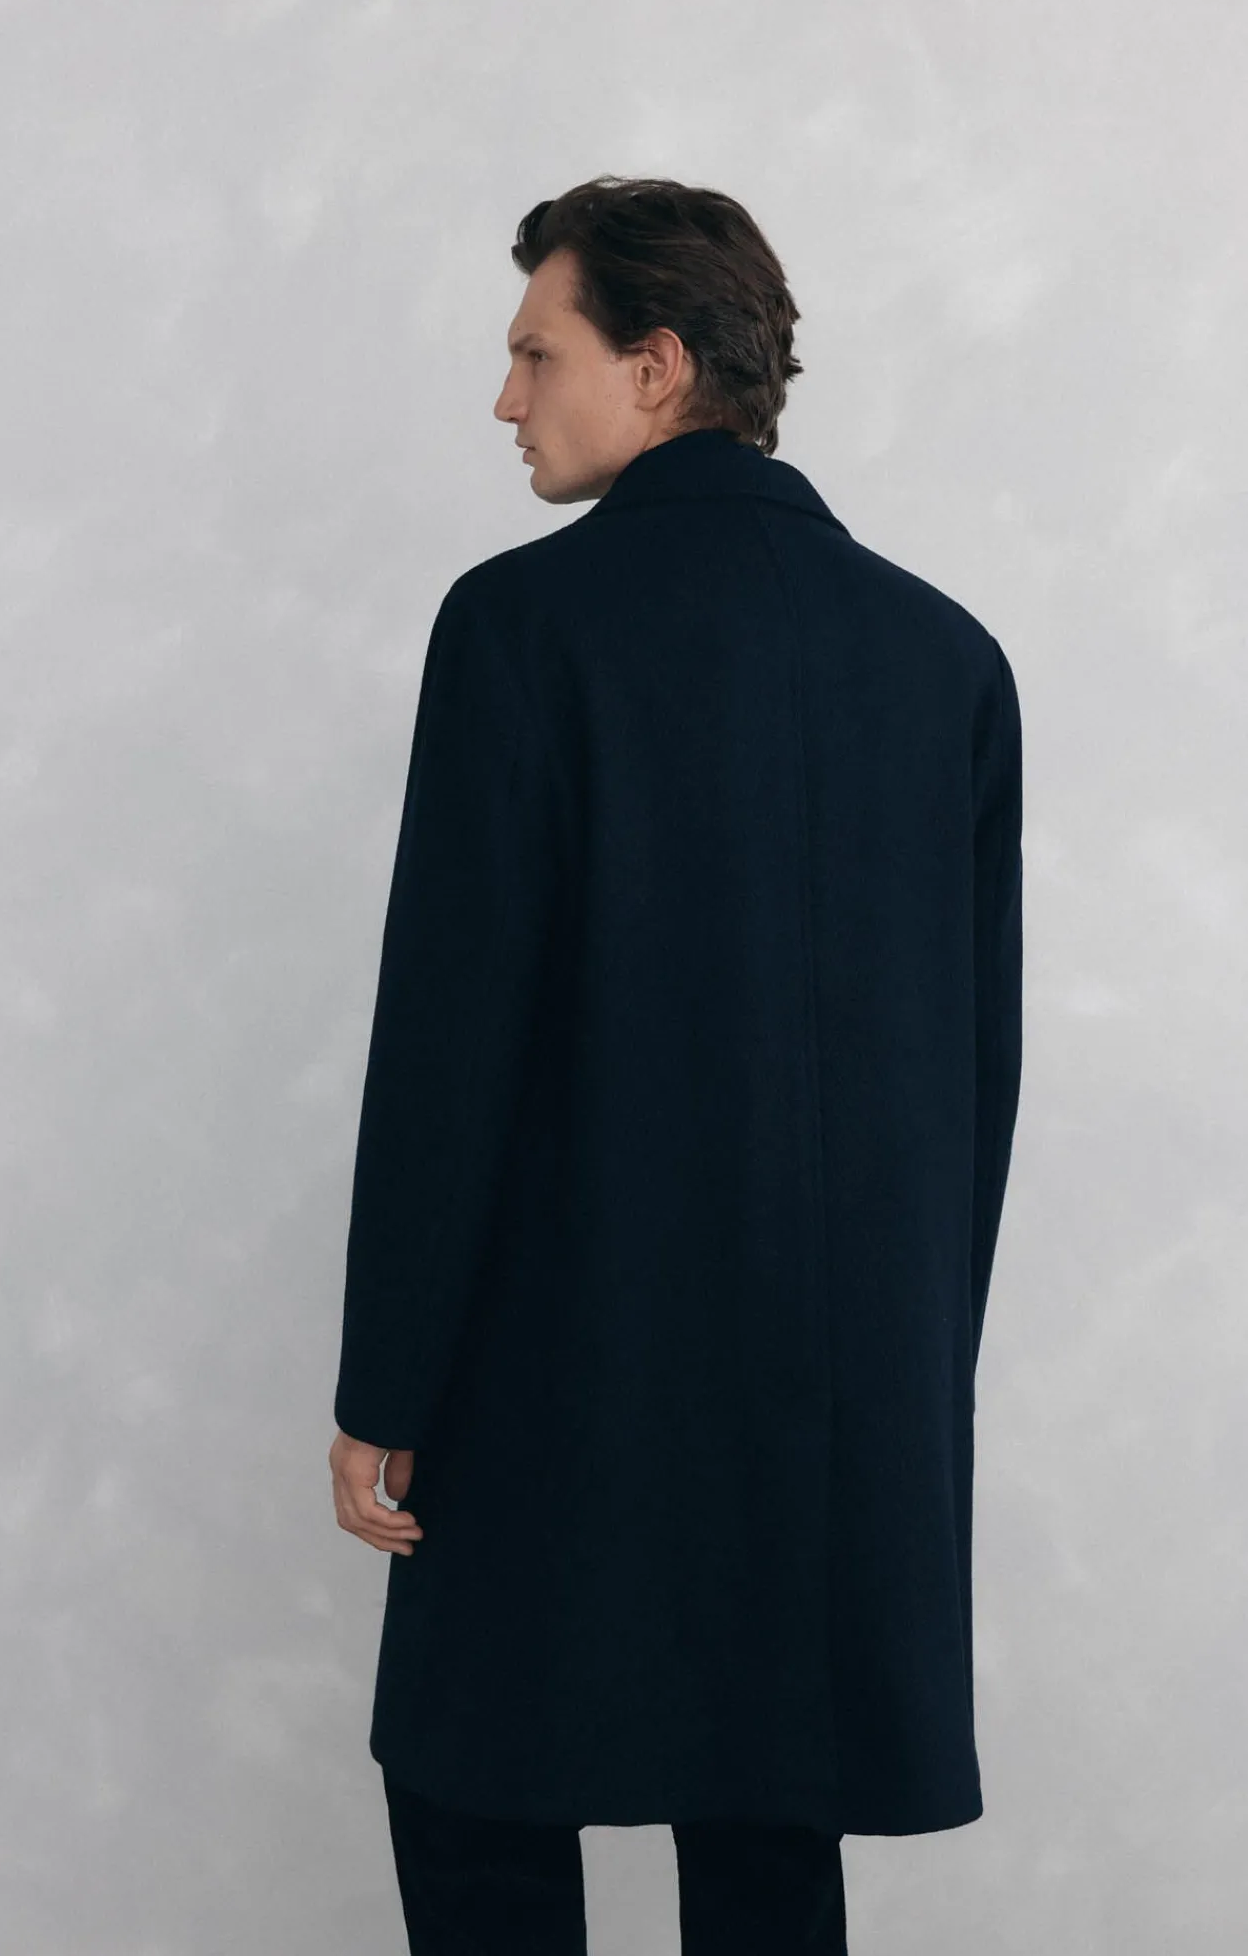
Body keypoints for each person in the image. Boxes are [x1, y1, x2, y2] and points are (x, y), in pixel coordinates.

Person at [328, 174, 1024, 1955]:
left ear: (653, 366)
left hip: (553, 1376)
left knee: (478, 1805)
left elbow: (449, 1041)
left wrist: (386, 1377)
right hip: (837, 1402)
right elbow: (976, 1085)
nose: (505, 398)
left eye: (534, 353)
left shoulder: (521, 626)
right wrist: (912, 1379)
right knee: (770, 1837)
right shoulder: (946, 659)